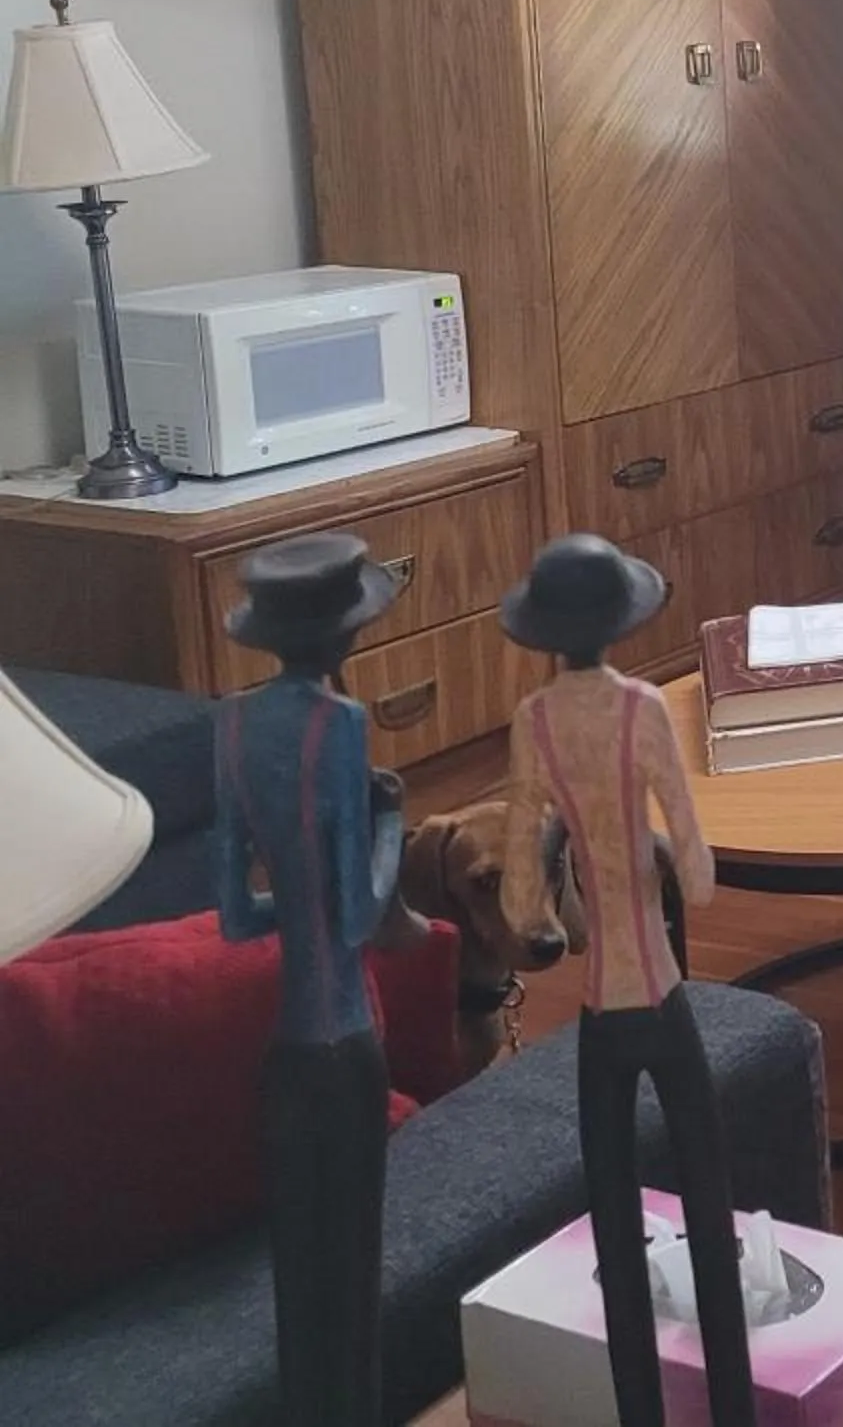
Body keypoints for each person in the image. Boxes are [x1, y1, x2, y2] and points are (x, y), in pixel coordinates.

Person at [499, 534, 752, 1427]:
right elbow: (696, 857)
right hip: (661, 981)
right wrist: (684, 872)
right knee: (708, 1205)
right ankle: (731, 1405)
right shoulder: (642, 708)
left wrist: (537, 918)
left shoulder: (534, 722)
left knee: (612, 1212)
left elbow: (523, 875)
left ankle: (639, 1410)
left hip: (599, 1000)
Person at [212, 532, 407, 1427]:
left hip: (281, 1056)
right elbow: (363, 916)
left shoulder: (236, 722)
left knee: (298, 1282)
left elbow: (235, 916)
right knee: (354, 1275)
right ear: (347, 637)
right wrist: (390, 823)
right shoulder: (344, 727)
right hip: (343, 1041)